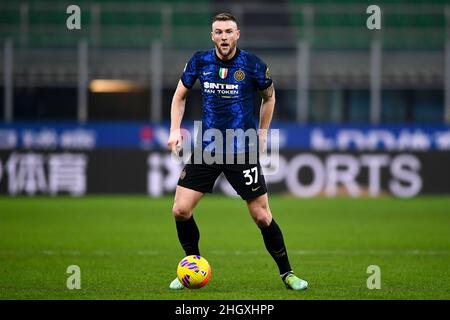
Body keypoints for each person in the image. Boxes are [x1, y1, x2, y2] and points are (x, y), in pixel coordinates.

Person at [167, 13, 308, 291]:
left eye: (228, 31)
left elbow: (270, 97)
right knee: (181, 210)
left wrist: (264, 132)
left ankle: (288, 274)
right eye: (218, 32)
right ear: (212, 36)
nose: (223, 37)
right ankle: (191, 265)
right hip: (207, 147)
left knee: (262, 216)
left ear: (237, 34)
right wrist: (174, 129)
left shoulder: (253, 65)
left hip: (241, 148)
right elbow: (179, 96)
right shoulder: (199, 61)